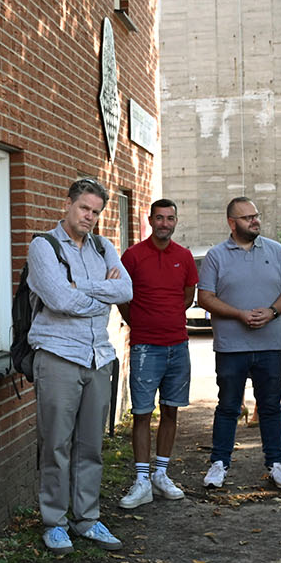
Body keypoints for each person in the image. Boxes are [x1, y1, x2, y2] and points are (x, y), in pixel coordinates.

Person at [28, 179, 132, 555]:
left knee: (91, 445)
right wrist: (96, 294)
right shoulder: (44, 246)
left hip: (98, 357)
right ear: (67, 204)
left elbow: (126, 291)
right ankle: (54, 522)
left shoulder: (104, 247)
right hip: (58, 357)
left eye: (96, 212)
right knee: (55, 444)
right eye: (84, 208)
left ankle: (86, 518)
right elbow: (57, 299)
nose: (90, 216)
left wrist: (80, 286)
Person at [197, 198, 281, 490]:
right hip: (231, 347)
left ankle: (277, 464)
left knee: (270, 406)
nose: (255, 221)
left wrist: (272, 311)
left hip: (270, 344)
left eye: (256, 216)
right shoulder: (216, 256)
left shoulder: (276, 250)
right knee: (228, 406)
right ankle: (219, 464)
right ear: (232, 223)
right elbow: (205, 297)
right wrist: (238, 314)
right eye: (247, 218)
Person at [117, 199, 198, 508]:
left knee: (171, 410)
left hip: (178, 345)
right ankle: (141, 480)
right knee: (141, 414)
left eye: (170, 218)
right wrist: (138, 319)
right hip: (144, 347)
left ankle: (161, 475)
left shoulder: (185, 256)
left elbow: (188, 295)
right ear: (150, 220)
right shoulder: (133, 256)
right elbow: (122, 296)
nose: (165, 223)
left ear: (176, 221)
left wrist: (168, 317)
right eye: (160, 218)